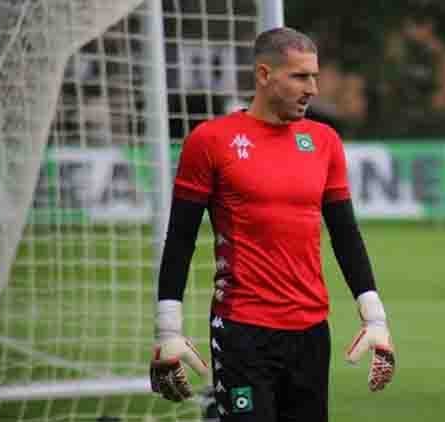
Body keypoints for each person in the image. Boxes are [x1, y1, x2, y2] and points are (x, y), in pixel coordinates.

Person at [149, 27, 395, 422]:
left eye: (314, 76)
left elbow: (346, 235)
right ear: (264, 75)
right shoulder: (211, 140)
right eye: (300, 76)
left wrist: (375, 317)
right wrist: (167, 329)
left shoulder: (324, 141)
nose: (312, 88)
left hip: (312, 332)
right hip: (241, 331)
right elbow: (180, 239)